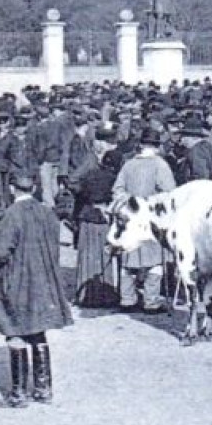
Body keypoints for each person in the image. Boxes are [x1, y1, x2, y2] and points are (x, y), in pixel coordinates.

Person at [0, 171, 74, 408]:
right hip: (43, 279)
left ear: (12, 188)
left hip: (18, 280)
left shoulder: (11, 215)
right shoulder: (47, 212)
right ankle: (43, 389)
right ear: (34, 187)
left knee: (15, 330)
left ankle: (18, 393)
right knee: (37, 331)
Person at [110, 128, 175, 313]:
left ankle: (127, 299)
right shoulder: (160, 165)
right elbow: (169, 193)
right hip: (151, 220)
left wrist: (130, 201)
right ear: (157, 146)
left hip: (131, 218)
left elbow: (117, 190)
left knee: (129, 258)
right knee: (154, 261)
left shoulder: (128, 165)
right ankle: (151, 301)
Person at [65, 124, 121, 308]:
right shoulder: (90, 160)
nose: (109, 144)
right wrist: (87, 194)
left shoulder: (107, 159)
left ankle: (101, 292)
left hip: (97, 213)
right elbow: (72, 180)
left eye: (110, 140)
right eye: (105, 140)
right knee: (92, 252)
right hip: (90, 212)